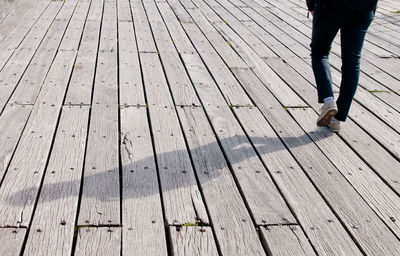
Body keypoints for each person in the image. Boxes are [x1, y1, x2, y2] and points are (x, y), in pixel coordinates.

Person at [306, 0, 378, 132]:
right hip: (364, 7)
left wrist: (311, 4)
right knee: (352, 62)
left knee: (319, 52)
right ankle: (337, 119)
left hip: (331, 6)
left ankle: (328, 101)